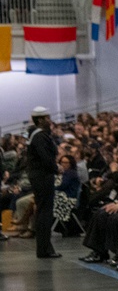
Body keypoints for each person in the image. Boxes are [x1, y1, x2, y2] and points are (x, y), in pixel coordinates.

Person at [25, 106, 61, 258]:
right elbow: (45, 157)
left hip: (38, 175)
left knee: (42, 211)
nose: (49, 120)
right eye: (47, 118)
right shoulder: (40, 136)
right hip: (42, 176)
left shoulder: (36, 134)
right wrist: (56, 168)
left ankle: (45, 248)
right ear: (40, 120)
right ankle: (44, 249)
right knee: (45, 212)